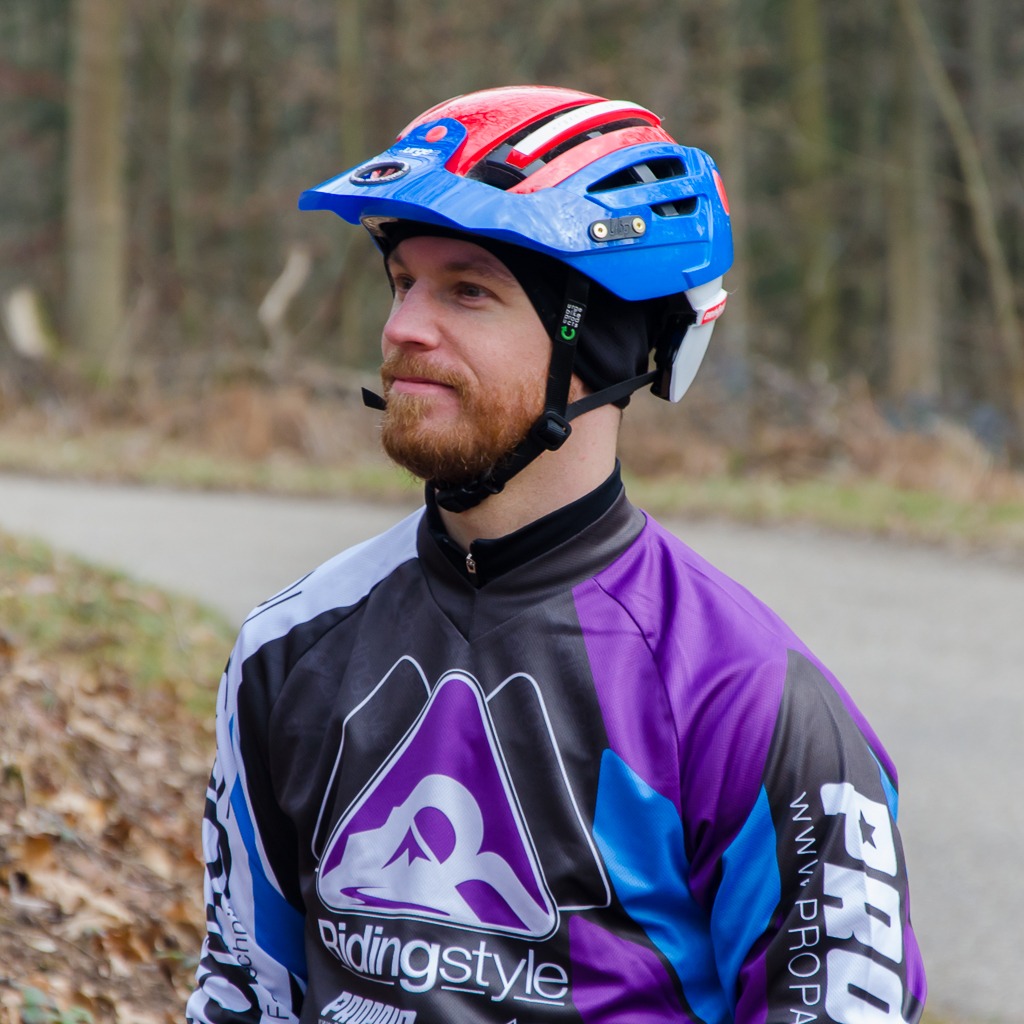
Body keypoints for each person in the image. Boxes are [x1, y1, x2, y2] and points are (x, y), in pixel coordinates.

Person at [186, 85, 927, 1024]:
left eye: (468, 291)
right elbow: (245, 991)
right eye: (403, 282)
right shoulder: (287, 649)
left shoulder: (745, 695)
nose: (404, 328)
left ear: (600, 343)